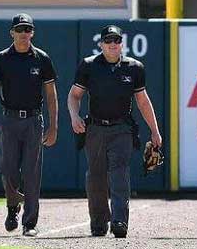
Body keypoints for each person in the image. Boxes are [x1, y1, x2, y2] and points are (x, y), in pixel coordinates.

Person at [68, 25, 162, 238]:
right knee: (96, 177)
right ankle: (99, 223)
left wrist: (155, 131)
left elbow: (143, 101)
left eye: (116, 40)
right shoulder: (88, 66)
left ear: (122, 44)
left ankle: (119, 221)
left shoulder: (134, 67)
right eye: (108, 40)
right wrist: (74, 116)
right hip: (95, 129)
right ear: (100, 44)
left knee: (119, 174)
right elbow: (74, 95)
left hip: (122, 129)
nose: (112, 44)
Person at [0, 13, 58, 237]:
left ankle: (30, 223)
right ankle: (12, 206)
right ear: (12, 33)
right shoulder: (2, 58)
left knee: (32, 173)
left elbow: (51, 94)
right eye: (20, 29)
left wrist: (53, 126)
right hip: (9, 120)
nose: (24, 33)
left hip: (34, 121)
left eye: (27, 29)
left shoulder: (42, 58)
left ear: (32, 32)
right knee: (7, 169)